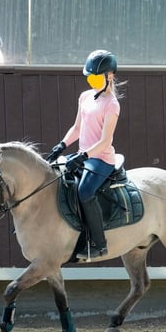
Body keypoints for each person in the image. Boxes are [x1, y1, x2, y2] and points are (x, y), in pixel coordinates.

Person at [45, 49, 123, 261]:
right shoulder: (85, 97)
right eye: (89, 77)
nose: (91, 81)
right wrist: (61, 145)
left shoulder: (112, 105)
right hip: (84, 155)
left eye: (96, 78)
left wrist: (83, 155)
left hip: (101, 159)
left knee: (85, 192)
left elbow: (105, 141)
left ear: (110, 76)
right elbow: (77, 127)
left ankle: (99, 243)